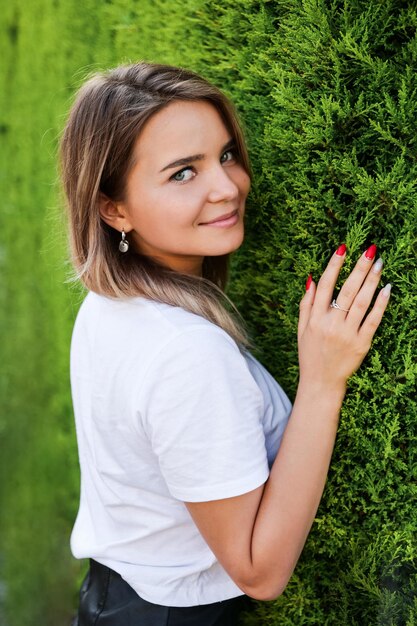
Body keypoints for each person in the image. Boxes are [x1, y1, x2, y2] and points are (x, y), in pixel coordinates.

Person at [60, 61, 391, 626]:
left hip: (111, 596)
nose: (228, 186)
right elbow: (259, 572)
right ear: (113, 208)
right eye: (183, 173)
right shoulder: (185, 353)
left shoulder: (109, 304)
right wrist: (322, 381)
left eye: (226, 154)